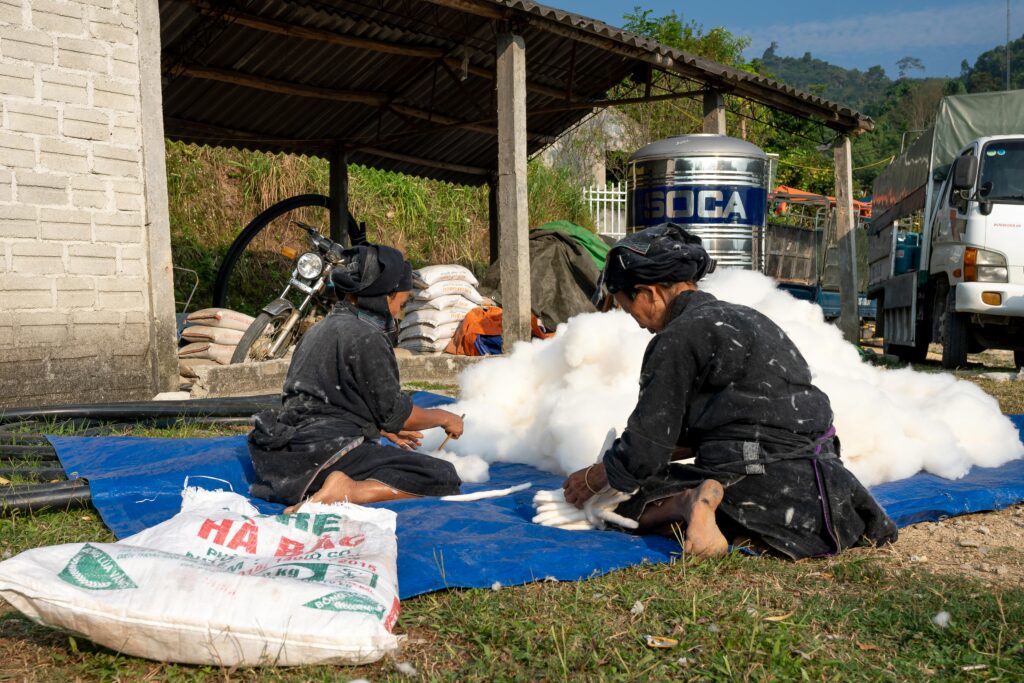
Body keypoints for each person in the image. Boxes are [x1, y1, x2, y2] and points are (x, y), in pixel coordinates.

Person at [562, 223, 897, 559]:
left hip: (759, 482)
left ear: (649, 293)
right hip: (825, 487)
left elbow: (644, 452)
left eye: (626, 306)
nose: (634, 320)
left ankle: (688, 503)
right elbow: (737, 418)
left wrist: (595, 478)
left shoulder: (675, 339)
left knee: (616, 505)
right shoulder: (750, 318)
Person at [248, 244, 464, 512]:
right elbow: (397, 415)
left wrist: (380, 430)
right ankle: (348, 491)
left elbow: (325, 402)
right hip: (325, 456)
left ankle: (326, 489)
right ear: (383, 297)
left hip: (285, 464)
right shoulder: (367, 336)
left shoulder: (319, 329)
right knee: (441, 475)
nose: (398, 312)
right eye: (401, 303)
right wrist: (445, 418)